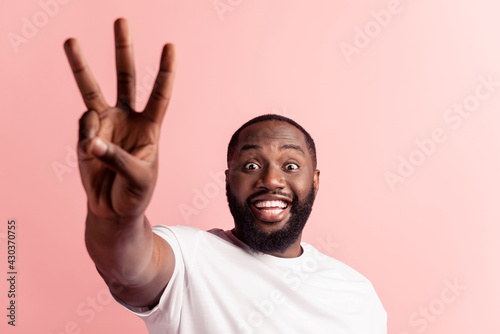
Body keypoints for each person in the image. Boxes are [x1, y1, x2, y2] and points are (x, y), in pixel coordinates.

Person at [64, 18, 387, 334]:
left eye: (290, 166)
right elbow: (128, 269)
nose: (271, 180)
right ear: (228, 178)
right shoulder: (188, 257)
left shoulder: (356, 293)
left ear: (314, 181)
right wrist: (117, 218)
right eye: (250, 165)